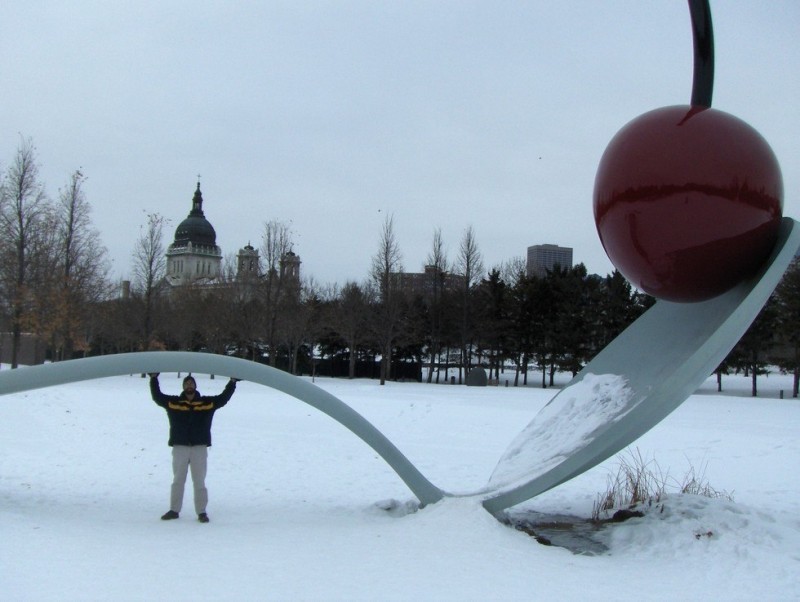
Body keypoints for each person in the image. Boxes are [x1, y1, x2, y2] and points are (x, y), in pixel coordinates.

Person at [149, 372, 239, 523]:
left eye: (191, 383)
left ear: (195, 386)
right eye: (187, 383)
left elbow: (223, 399)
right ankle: (174, 510)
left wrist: (232, 382)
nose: (189, 385)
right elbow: (158, 397)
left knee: (199, 481)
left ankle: (201, 512)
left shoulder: (206, 403)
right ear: (183, 386)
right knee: (178, 480)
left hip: (199, 447)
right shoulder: (174, 403)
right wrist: (153, 378)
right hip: (180, 446)